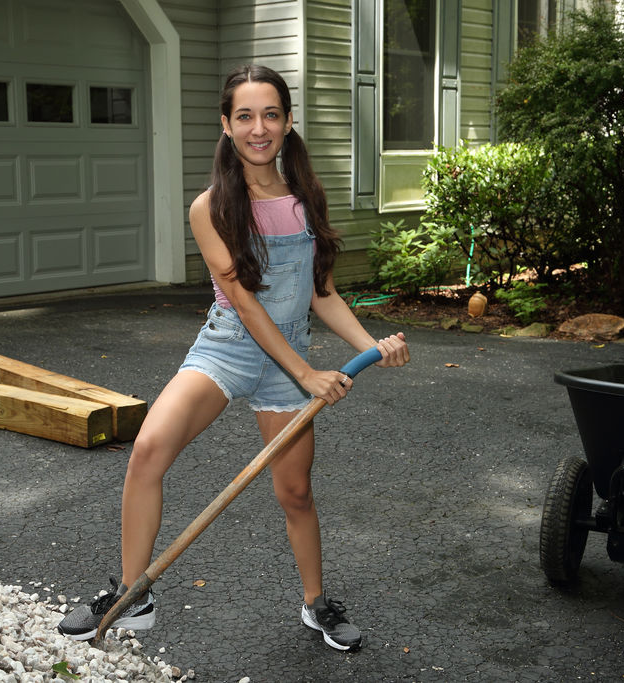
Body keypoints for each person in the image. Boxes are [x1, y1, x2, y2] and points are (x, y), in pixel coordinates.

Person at [58, 64, 410, 652]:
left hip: (289, 353)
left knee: (295, 492)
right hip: (227, 348)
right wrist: (306, 374)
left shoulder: (306, 200)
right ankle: (132, 593)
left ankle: (316, 604)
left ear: (288, 121)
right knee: (147, 451)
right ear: (226, 125)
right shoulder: (211, 208)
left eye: (270, 114)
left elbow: (321, 292)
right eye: (245, 116)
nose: (258, 128)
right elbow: (244, 302)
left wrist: (371, 347)